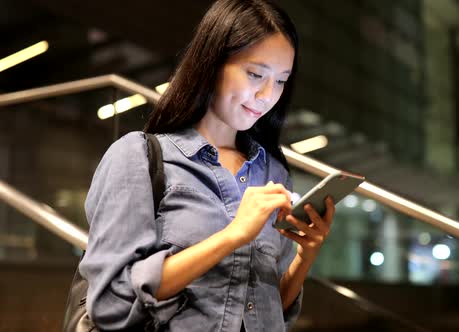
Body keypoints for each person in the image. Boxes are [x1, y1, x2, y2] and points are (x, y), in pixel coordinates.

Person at [79, 0, 335, 331]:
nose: (267, 95)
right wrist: (232, 236)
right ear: (212, 64)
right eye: (256, 74)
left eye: (282, 80)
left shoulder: (273, 173)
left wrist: (305, 256)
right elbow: (112, 303)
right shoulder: (138, 157)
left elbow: (271, 310)